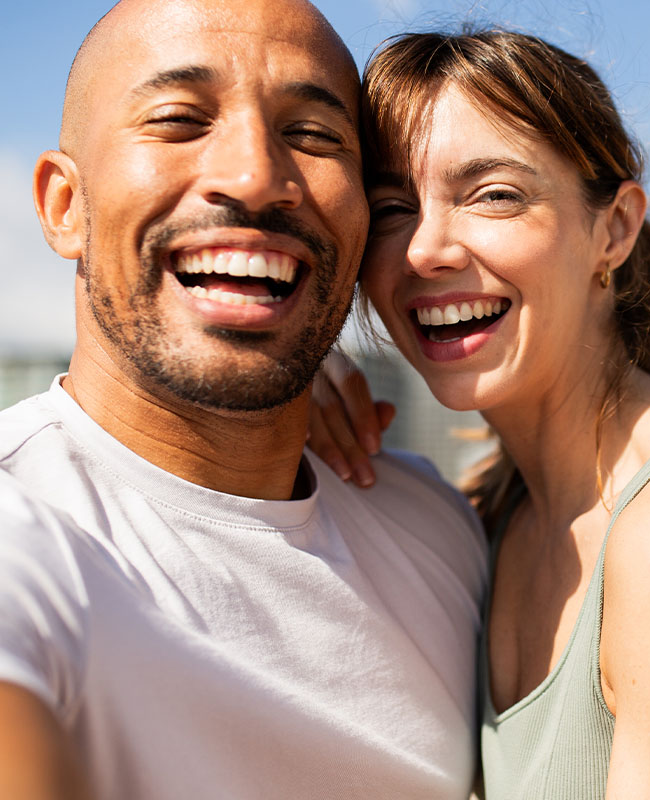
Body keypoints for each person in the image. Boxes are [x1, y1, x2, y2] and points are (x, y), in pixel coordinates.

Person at [0, 3, 487, 799]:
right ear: (64, 206)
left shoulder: (437, 528)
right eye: (179, 119)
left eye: (314, 136)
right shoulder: (20, 529)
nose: (258, 175)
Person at [308, 29, 650, 799]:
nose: (424, 250)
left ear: (614, 228)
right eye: (392, 207)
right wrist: (281, 388)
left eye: (494, 194)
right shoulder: (491, 513)